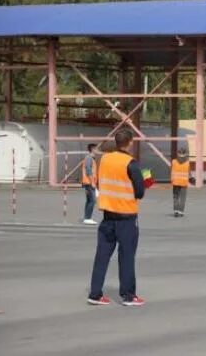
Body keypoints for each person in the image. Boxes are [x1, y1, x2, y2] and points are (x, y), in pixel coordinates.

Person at [87, 129, 146, 307]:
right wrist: (145, 182)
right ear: (129, 143)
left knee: (102, 256)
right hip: (126, 217)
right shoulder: (131, 163)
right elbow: (140, 192)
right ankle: (128, 295)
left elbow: (100, 182)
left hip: (107, 216)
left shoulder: (104, 159)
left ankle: (95, 294)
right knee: (126, 256)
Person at [171, 148, 192, 217]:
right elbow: (189, 173)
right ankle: (181, 212)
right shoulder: (187, 162)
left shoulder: (173, 161)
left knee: (176, 197)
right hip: (184, 183)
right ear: (185, 154)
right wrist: (191, 179)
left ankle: (176, 211)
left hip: (175, 182)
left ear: (178, 153)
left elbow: (171, 171)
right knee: (183, 197)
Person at [81, 143, 98, 225]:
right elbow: (88, 170)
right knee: (92, 200)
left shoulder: (91, 158)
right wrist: (92, 182)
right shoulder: (89, 158)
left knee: (89, 200)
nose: (97, 150)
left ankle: (86, 217)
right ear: (92, 149)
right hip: (89, 182)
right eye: (96, 148)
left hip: (88, 182)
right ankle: (88, 218)